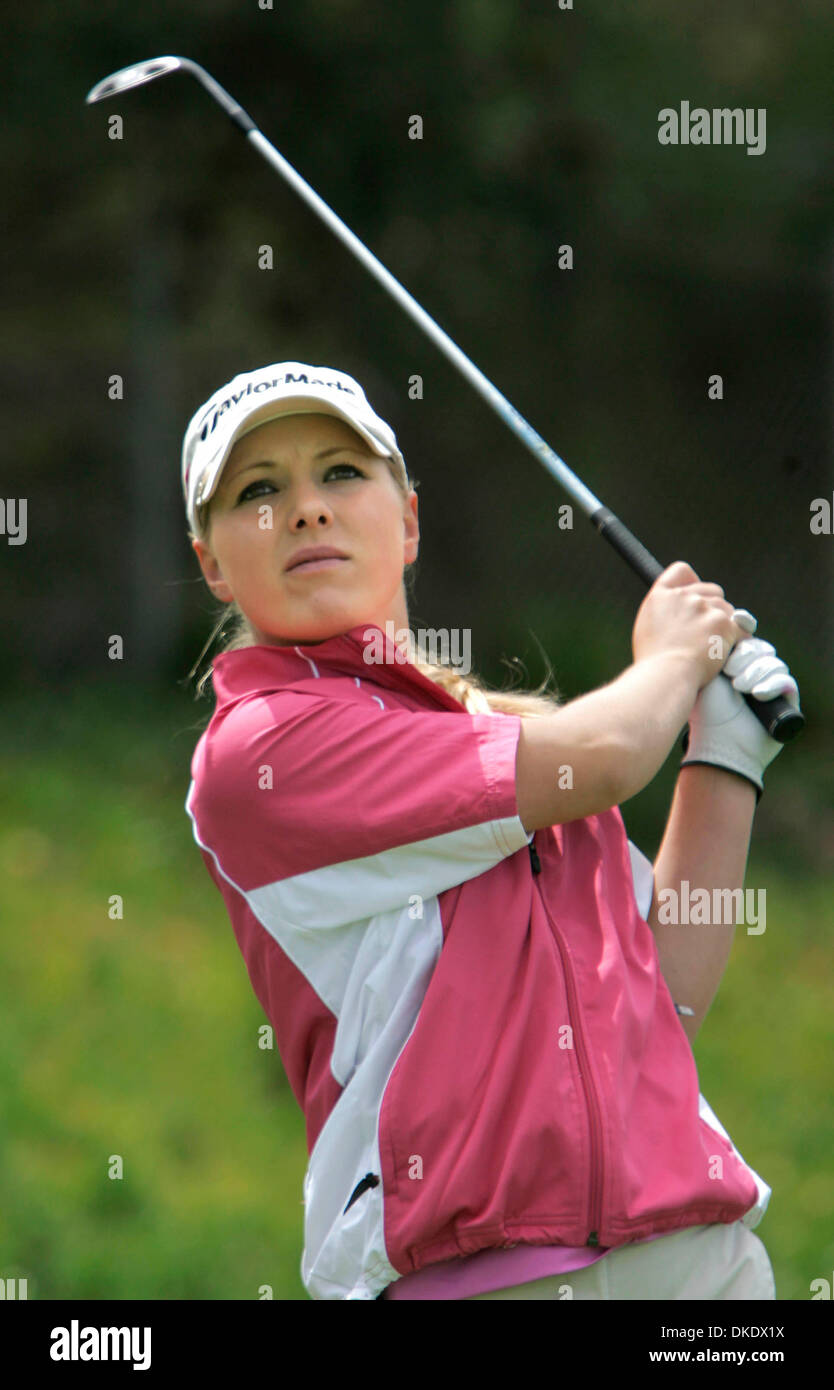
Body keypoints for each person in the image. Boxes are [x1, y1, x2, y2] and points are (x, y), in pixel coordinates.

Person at [181, 360, 800, 1301]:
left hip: (701, 1266)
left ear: (411, 519)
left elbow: (662, 998)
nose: (305, 509)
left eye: (341, 473)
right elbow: (603, 756)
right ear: (212, 563)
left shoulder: (506, 742)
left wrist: (726, 756)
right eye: (258, 491)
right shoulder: (261, 750)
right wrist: (675, 658)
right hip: (485, 1280)